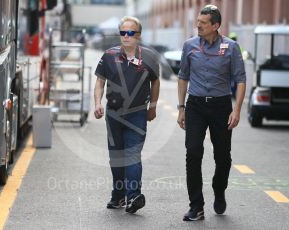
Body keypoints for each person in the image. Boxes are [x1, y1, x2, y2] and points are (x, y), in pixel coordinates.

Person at [177, 5, 246, 221]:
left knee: (223, 156)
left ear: (216, 25)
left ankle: (219, 189)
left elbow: (241, 79)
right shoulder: (189, 45)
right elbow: (183, 76)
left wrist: (236, 109)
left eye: (203, 22)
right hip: (195, 105)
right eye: (198, 21)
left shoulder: (231, 47)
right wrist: (181, 107)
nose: (198, 25)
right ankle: (196, 206)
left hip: (221, 106)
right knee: (193, 152)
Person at [94, 16, 160, 214]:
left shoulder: (148, 57)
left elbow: (155, 82)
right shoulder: (108, 55)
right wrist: (97, 103)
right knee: (116, 157)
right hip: (113, 113)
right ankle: (118, 196)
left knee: (132, 155)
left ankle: (133, 197)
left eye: (130, 33)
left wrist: (153, 107)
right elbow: (99, 81)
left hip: (137, 114)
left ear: (138, 35)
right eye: (123, 32)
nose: (126, 36)